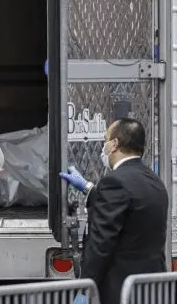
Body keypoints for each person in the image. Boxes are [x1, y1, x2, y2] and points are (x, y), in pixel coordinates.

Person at [60, 118, 168, 304]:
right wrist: (88, 188)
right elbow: (129, 209)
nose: (104, 147)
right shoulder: (155, 181)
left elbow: (101, 243)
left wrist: (85, 288)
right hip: (151, 289)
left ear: (114, 144)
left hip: (121, 290)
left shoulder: (114, 182)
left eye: (105, 140)